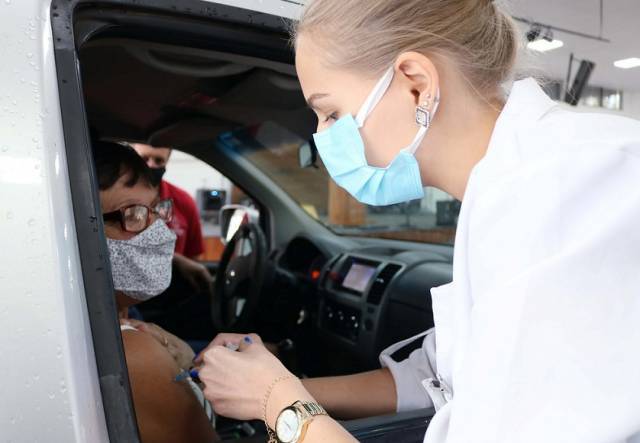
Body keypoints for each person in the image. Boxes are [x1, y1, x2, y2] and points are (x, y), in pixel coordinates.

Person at [194, 0, 640, 442]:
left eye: (331, 113)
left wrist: (278, 400)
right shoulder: (507, 188)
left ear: (416, 84)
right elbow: (441, 379)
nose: (324, 137)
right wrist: (277, 386)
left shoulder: (561, 192)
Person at [94, 141, 219, 443]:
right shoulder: (134, 354)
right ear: (84, 229)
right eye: (134, 214)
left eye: (155, 210)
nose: (159, 231)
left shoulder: (123, 320)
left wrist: (188, 360)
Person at [130, 142, 212, 294]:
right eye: (144, 158)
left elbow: (194, 257)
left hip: (173, 295)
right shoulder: (117, 200)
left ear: (167, 162)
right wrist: (175, 260)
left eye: (159, 160)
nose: (151, 165)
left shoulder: (183, 201)